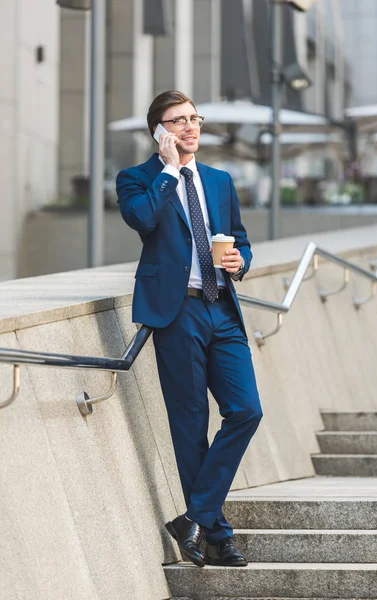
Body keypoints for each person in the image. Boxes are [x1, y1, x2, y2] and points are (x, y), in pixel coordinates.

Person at [116, 90, 263, 568]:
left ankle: (194, 519)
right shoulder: (138, 179)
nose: (189, 128)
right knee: (189, 424)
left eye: (193, 118)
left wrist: (241, 261)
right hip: (175, 313)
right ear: (158, 131)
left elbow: (239, 237)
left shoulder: (219, 180)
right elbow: (141, 220)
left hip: (222, 308)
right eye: (177, 121)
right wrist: (168, 170)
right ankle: (217, 535)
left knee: (246, 410)